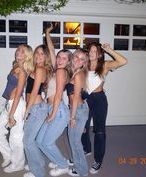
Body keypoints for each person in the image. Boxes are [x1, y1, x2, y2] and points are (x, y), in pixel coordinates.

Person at [81, 42, 127, 174]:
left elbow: (123, 61)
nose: (91, 53)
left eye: (95, 51)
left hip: (99, 100)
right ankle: (87, 148)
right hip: (85, 98)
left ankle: (98, 160)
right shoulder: (84, 64)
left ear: (100, 54)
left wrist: (109, 50)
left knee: (99, 131)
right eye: (90, 50)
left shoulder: (105, 65)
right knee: (83, 127)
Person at [0, 44, 34, 173]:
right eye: (18, 49)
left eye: (22, 51)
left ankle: (18, 164)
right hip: (9, 104)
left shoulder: (22, 71)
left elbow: (18, 93)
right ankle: (9, 155)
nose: (18, 52)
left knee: (15, 137)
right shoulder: (15, 65)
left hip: (16, 105)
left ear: (27, 56)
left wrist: (11, 115)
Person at [36, 23, 73, 177]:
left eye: (64, 58)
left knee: (46, 142)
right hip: (53, 109)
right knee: (39, 140)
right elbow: (51, 49)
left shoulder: (61, 72)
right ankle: (59, 159)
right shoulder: (56, 69)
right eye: (59, 57)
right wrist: (47, 33)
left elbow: (58, 94)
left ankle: (63, 165)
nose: (59, 59)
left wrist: (52, 113)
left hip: (58, 111)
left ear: (68, 61)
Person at [23, 44, 52, 177]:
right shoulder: (36, 68)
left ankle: (38, 173)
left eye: (42, 54)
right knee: (30, 140)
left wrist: (27, 110)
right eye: (37, 53)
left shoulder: (40, 69)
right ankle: (39, 162)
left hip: (36, 109)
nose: (39, 56)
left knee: (28, 141)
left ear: (46, 57)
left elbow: (34, 92)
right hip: (36, 108)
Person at [66, 48, 89, 176]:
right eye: (76, 57)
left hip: (77, 111)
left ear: (84, 62)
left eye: (82, 59)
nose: (78, 60)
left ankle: (82, 171)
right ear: (72, 57)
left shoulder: (79, 74)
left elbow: (76, 97)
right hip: (77, 109)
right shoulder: (74, 72)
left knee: (75, 142)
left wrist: (73, 117)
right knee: (74, 140)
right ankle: (78, 166)